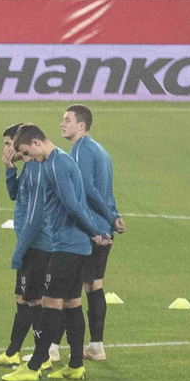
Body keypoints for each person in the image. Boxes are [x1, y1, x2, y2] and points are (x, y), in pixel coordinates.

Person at [1, 125, 112, 381]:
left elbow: (73, 205)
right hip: (75, 245)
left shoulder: (55, 165)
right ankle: (75, 365)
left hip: (66, 246)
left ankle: (34, 366)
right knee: (72, 303)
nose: (31, 159)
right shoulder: (59, 160)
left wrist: (95, 231)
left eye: (30, 152)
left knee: (51, 303)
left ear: (38, 142)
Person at [61, 104, 125, 362]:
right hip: (103, 227)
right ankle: (96, 345)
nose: (62, 124)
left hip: (89, 229)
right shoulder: (101, 151)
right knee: (94, 284)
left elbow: (86, 190)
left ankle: (52, 348)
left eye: (67, 120)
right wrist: (114, 216)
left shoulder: (80, 151)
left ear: (81, 126)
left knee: (67, 288)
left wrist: (103, 221)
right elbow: (105, 190)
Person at [0, 123, 49, 368]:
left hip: (37, 245)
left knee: (35, 300)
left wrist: (19, 250)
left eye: (8, 144)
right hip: (28, 243)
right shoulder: (27, 168)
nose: (7, 148)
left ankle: (43, 357)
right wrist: (8, 170)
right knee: (22, 297)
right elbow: (15, 194)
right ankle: (13, 352)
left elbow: (36, 218)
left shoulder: (36, 169)